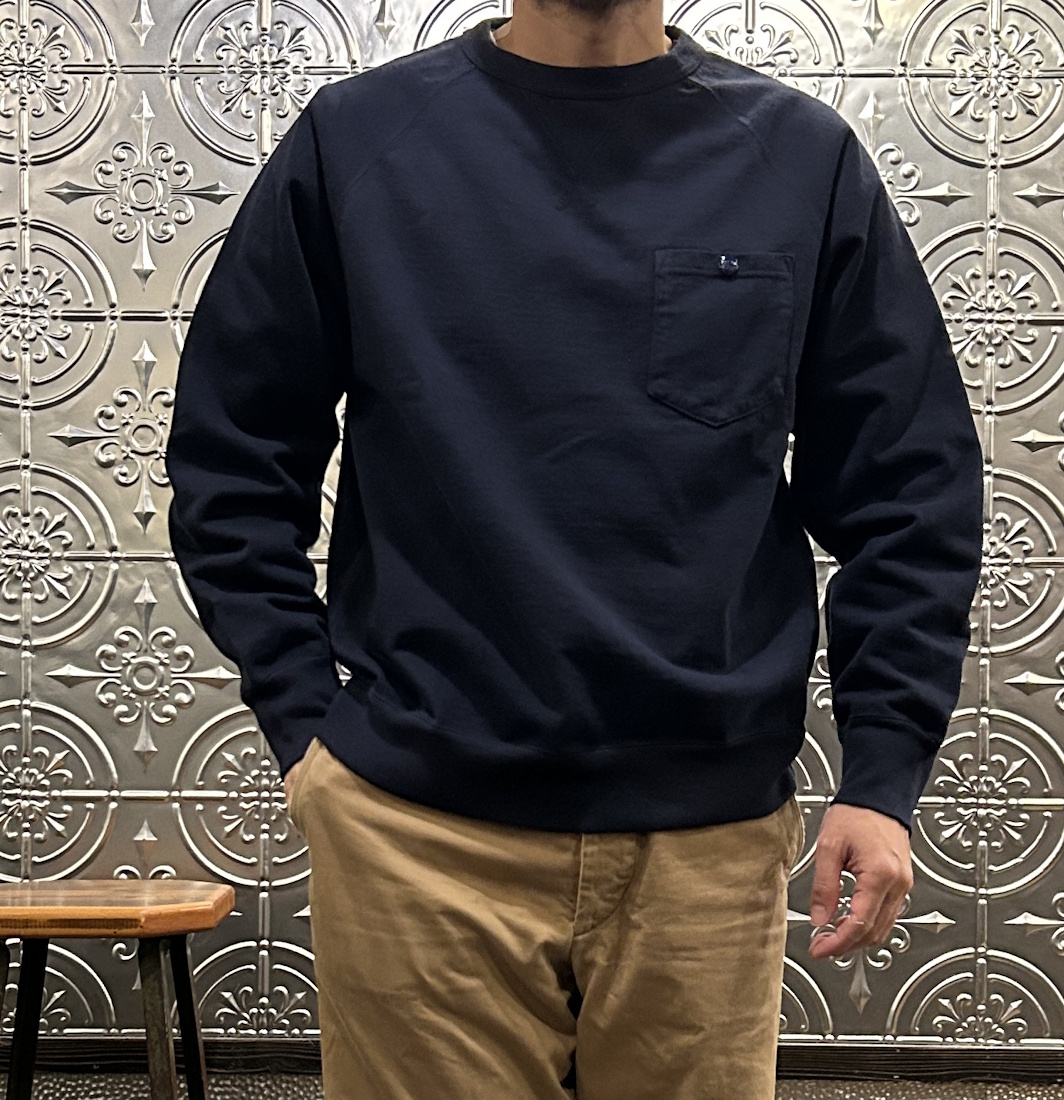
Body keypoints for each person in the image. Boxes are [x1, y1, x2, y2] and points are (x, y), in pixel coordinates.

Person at [163, 0, 984, 1095]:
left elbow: (908, 490)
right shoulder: (357, 141)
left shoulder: (799, 158)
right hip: (414, 837)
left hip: (704, 842)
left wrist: (882, 776)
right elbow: (232, 456)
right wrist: (306, 723)